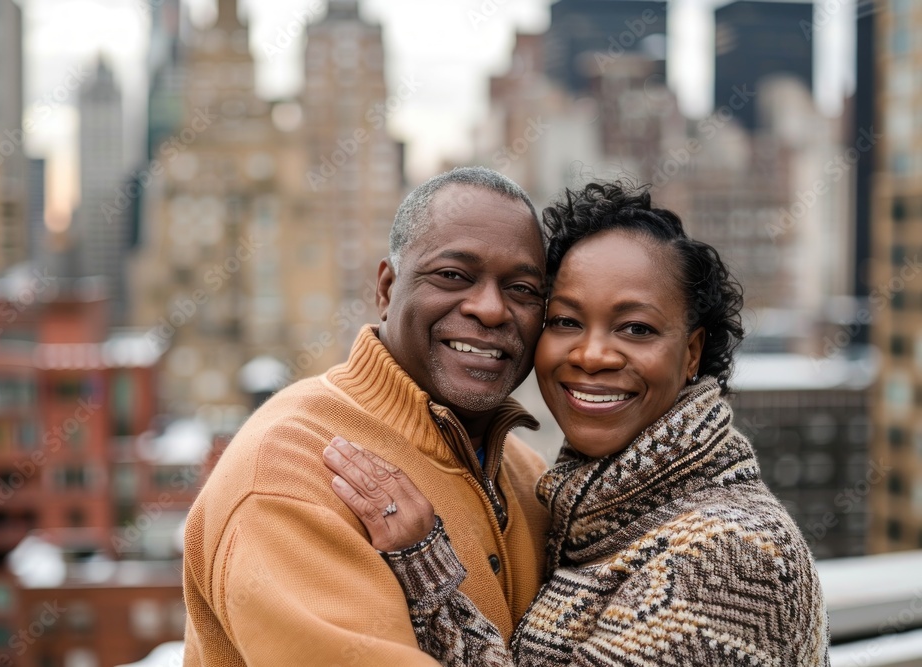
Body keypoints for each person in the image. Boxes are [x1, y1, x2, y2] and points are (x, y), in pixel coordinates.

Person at [325, 180, 831, 666]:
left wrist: (425, 567)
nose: (591, 356)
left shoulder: (733, 554)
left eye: (636, 328)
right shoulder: (587, 514)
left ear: (692, 351)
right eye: (566, 321)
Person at [182, 167, 555, 665]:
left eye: (523, 289)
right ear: (386, 288)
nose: (490, 309)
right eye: (452, 275)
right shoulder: (289, 470)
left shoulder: (532, 477)